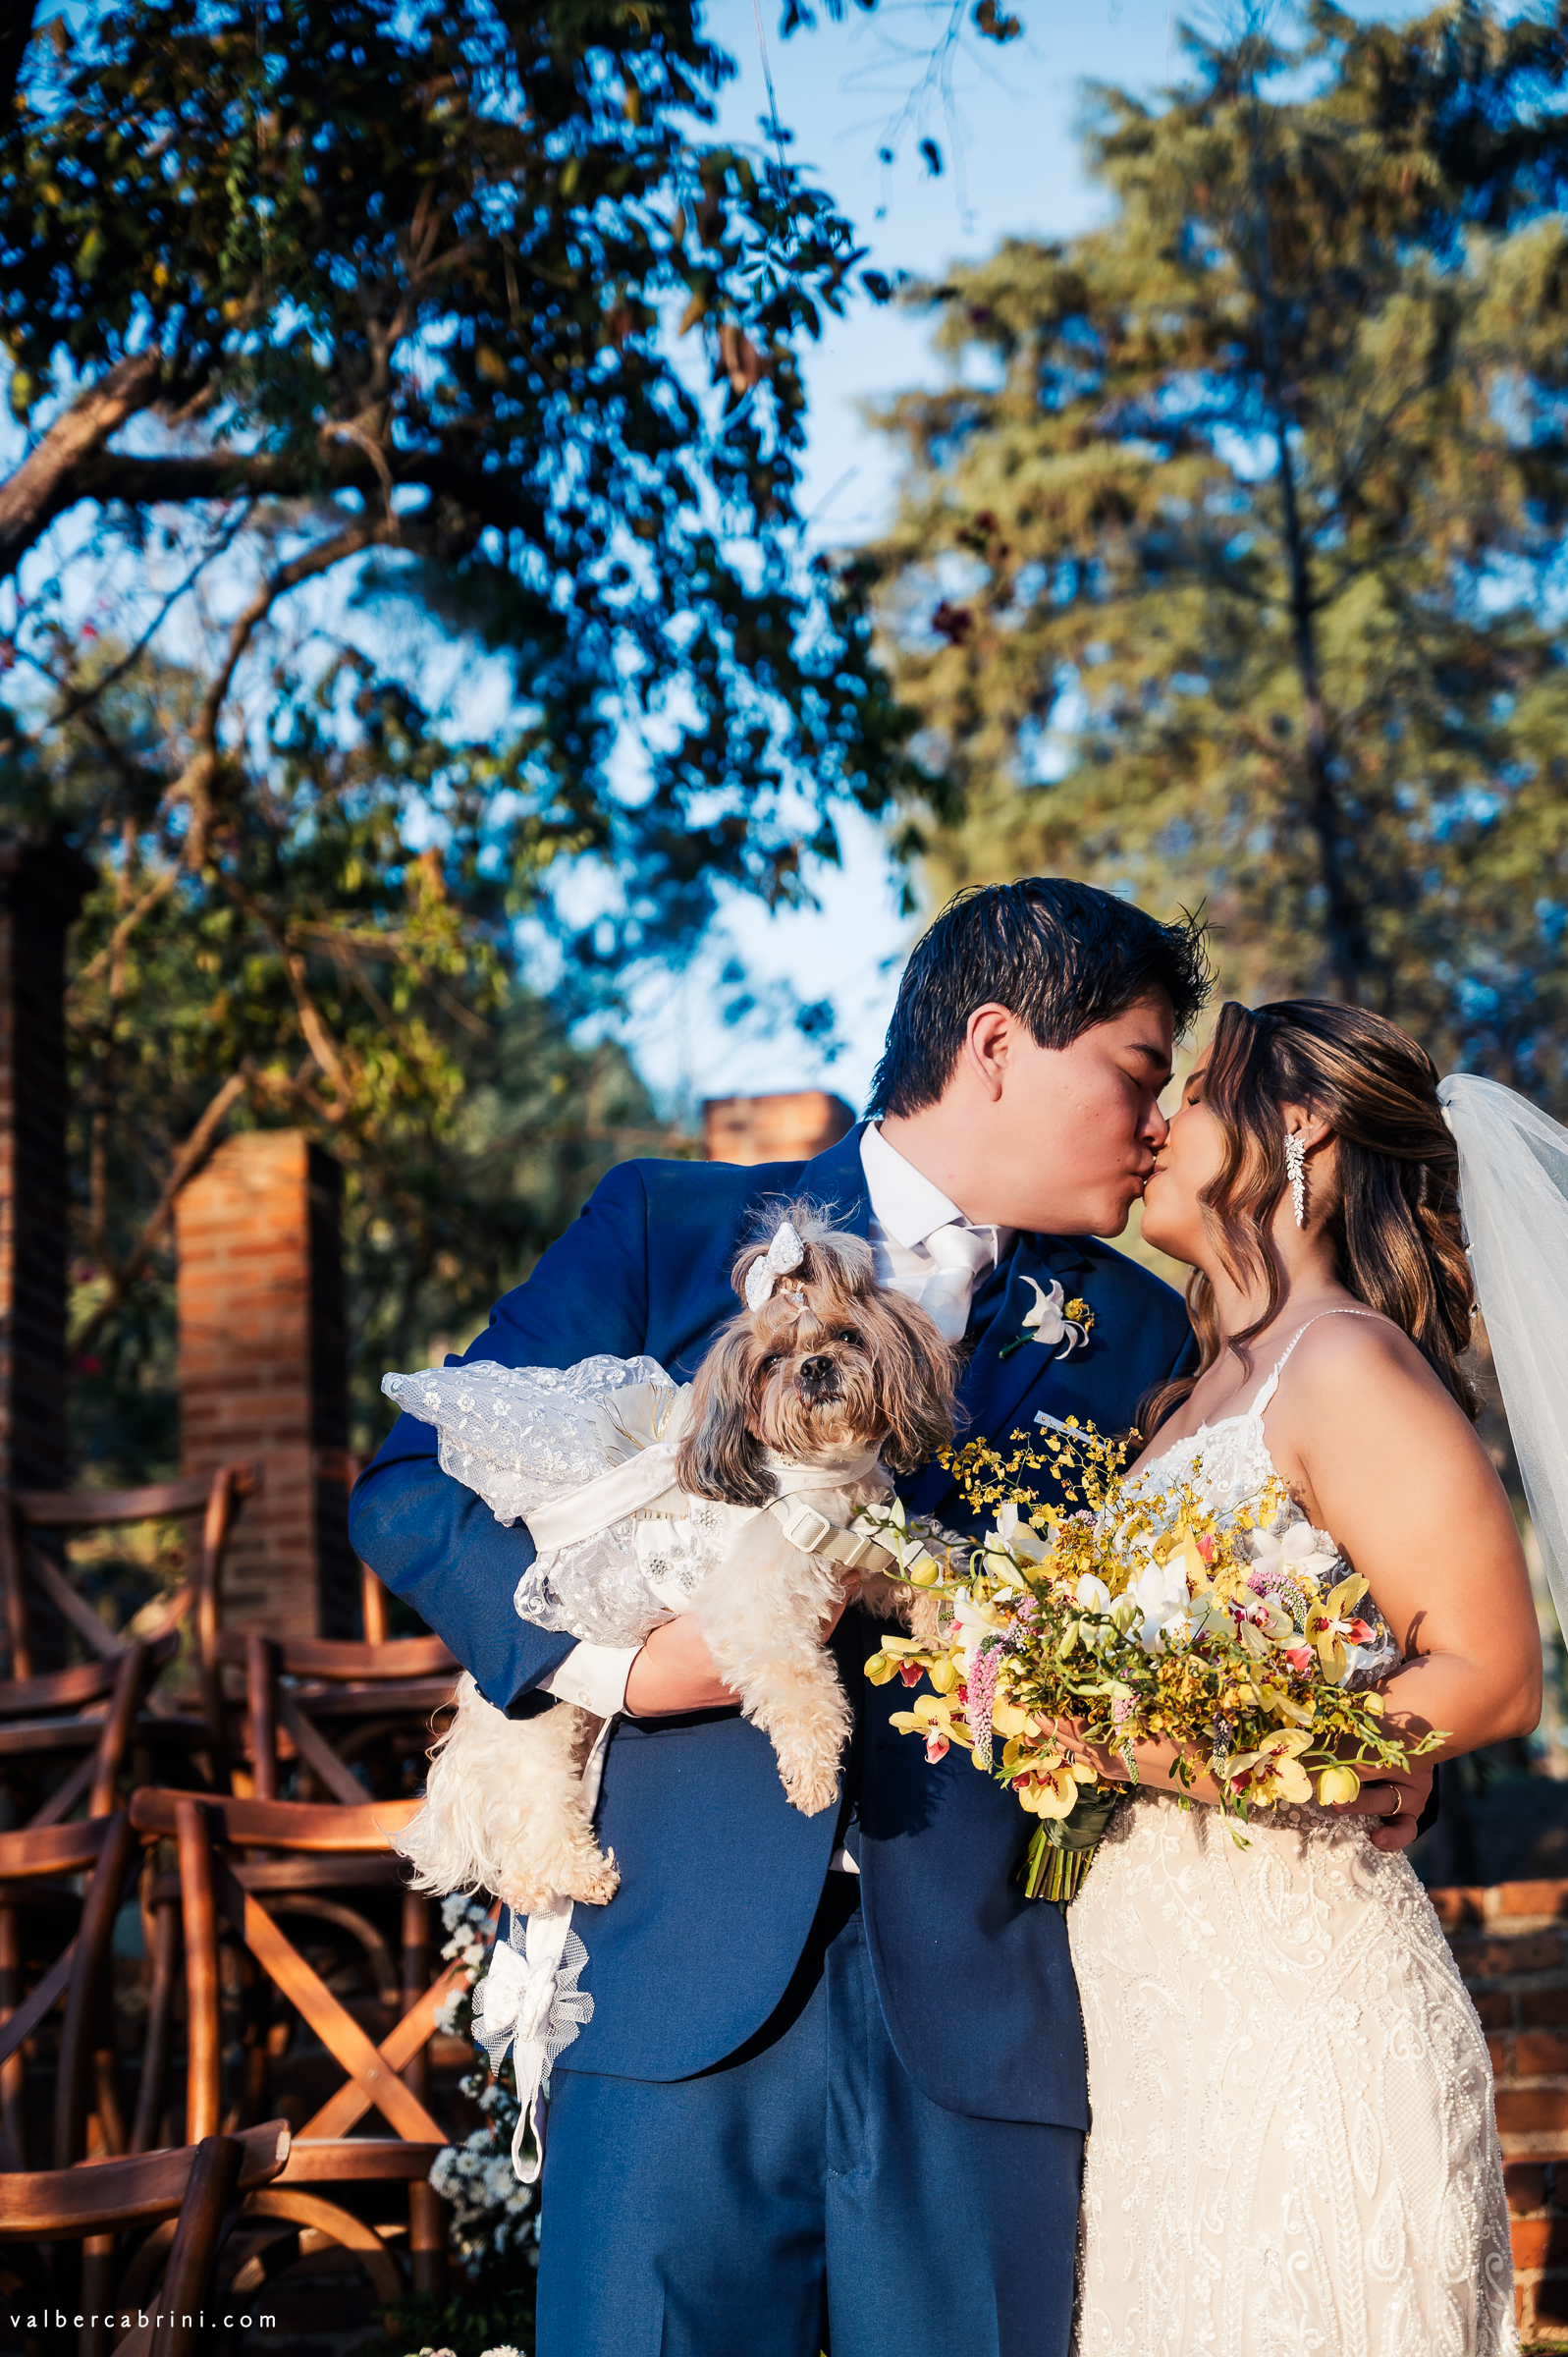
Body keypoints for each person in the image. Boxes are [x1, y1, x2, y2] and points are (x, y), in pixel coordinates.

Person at [351, 878, 1272, 2357]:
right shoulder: (663, 1226)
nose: (1158, 1121)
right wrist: (621, 1667)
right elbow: (409, 1487)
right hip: (669, 1989)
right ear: (995, 1045)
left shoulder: (1144, 1330)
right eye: (1137, 1068)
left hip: (988, 2010)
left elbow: (1223, 1588)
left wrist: (1347, 1743)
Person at [1066, 998, 1541, 2357]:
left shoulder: (1344, 1361)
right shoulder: (1186, 1396)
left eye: (1194, 1091)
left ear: (1300, 1126)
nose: (1158, 1119)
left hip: (1301, 2018)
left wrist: (1148, 1747)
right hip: (1154, 2039)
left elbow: (1493, 1676)